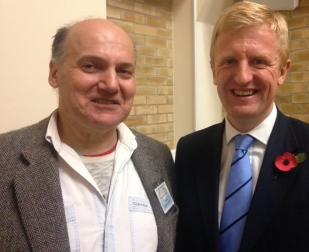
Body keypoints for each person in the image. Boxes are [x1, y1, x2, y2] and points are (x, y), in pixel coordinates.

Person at [174, 1, 309, 252]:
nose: (243, 76)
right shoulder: (190, 151)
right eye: (229, 61)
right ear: (213, 71)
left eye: (259, 61)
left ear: (282, 71)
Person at [0, 19, 178, 251]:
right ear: (54, 73)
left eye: (124, 71)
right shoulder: (6, 161)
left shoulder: (158, 156)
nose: (111, 84)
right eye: (91, 66)